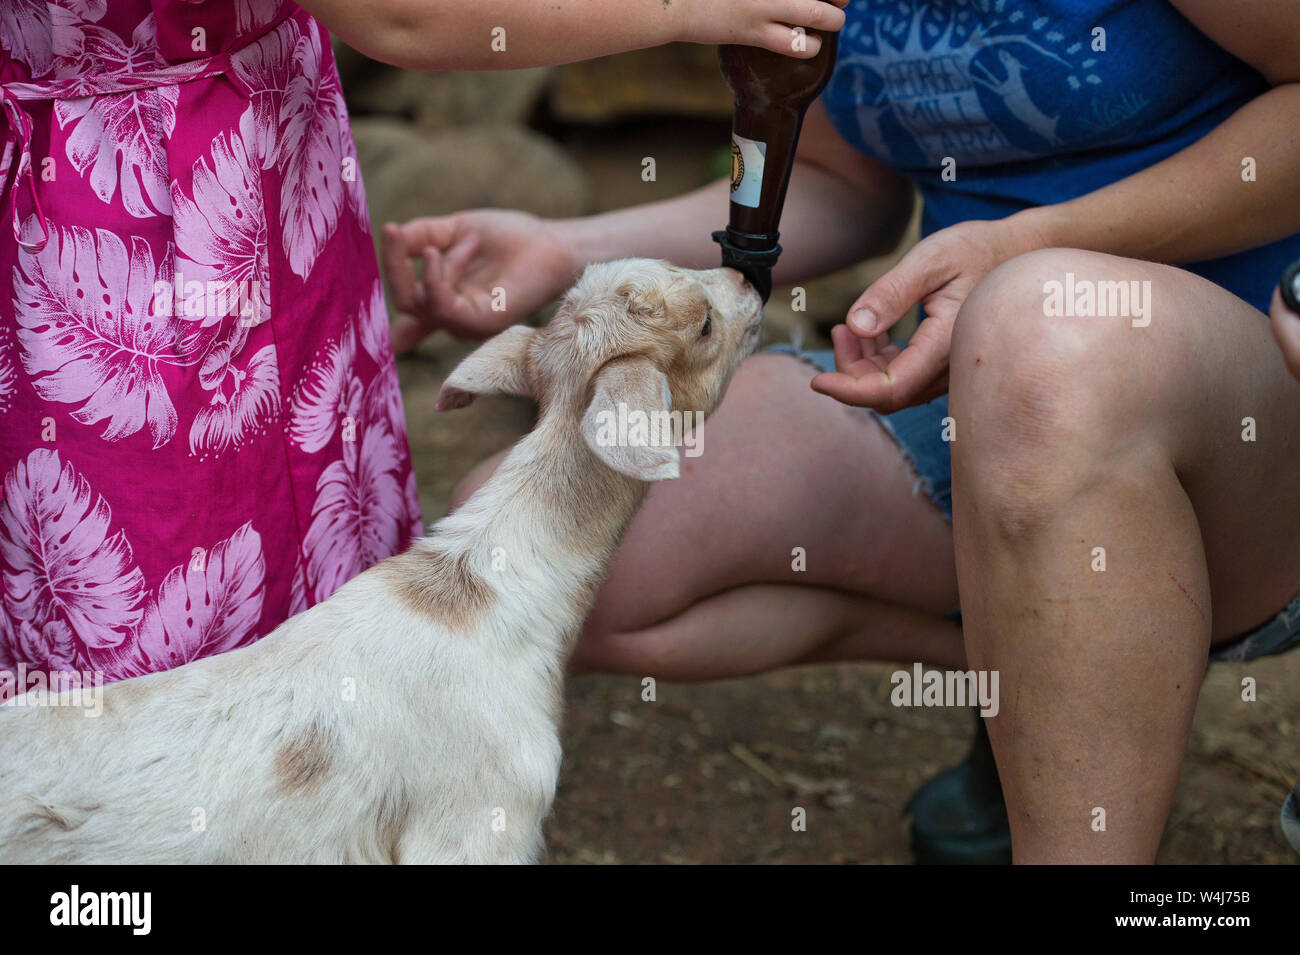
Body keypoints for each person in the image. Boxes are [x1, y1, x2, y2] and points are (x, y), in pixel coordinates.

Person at [386, 0, 1300, 863]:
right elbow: (839, 184)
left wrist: (1026, 246)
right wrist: (570, 246)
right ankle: (1076, 675)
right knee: (553, 556)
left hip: (1245, 402)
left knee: (1040, 326)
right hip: (987, 399)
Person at [0, 0, 846, 683]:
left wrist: (557, 248)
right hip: (131, 222)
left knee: (312, 571)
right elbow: (402, 14)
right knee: (156, 579)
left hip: (263, 164)